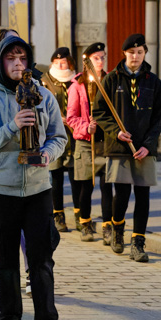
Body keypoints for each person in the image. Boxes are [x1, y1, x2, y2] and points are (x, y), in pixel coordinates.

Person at [0, 34, 68, 320]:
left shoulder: (43, 94)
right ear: (1, 62)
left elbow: (59, 136)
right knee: (6, 261)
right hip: (2, 190)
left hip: (39, 188)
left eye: (22, 58)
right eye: (11, 58)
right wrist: (12, 125)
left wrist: (47, 155)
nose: (17, 64)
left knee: (41, 260)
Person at [93, 34, 161, 262]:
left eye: (140, 52)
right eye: (131, 52)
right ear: (124, 53)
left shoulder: (152, 81)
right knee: (122, 194)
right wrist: (116, 131)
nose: (135, 56)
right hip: (119, 147)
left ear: (145, 53)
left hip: (144, 149)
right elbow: (99, 112)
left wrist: (148, 145)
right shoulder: (111, 80)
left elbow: (159, 115)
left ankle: (138, 242)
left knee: (143, 195)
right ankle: (117, 229)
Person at [66, 42, 113, 243]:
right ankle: (85, 223)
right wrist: (86, 127)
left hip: (107, 142)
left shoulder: (111, 81)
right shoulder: (78, 85)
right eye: (96, 58)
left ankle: (108, 225)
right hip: (86, 143)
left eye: (102, 57)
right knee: (86, 185)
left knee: (107, 186)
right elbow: (71, 117)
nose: (100, 61)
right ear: (87, 62)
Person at [42, 48, 80, 233]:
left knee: (75, 177)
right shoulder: (46, 81)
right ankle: (58, 215)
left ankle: (80, 214)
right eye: (57, 63)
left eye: (63, 63)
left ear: (69, 63)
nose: (60, 66)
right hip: (54, 135)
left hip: (74, 135)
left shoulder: (76, 80)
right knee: (56, 177)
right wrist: (57, 118)